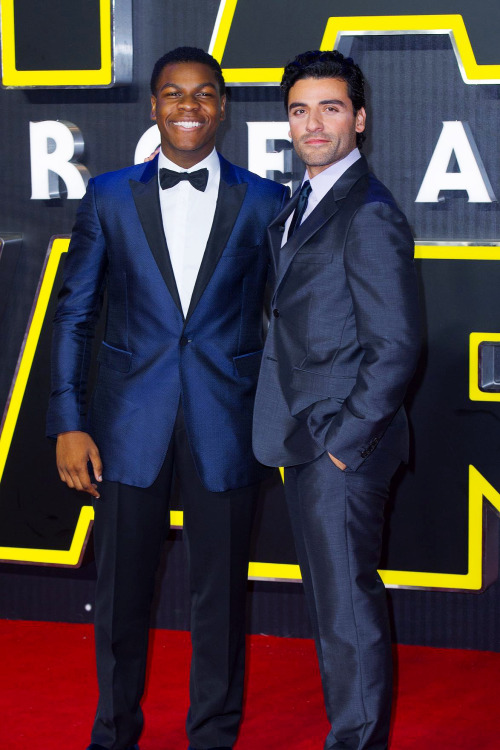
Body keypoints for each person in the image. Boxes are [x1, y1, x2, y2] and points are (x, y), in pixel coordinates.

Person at [46, 47, 288, 750]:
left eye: (204, 94)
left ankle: (213, 735)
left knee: (221, 601)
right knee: (121, 598)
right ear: (153, 108)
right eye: (174, 94)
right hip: (127, 427)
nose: (189, 106)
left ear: (223, 107)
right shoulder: (109, 196)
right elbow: (75, 316)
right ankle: (114, 732)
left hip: (228, 425)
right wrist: (68, 421)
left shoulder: (268, 202)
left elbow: (290, 324)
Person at [253, 50, 421, 749]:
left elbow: (398, 345)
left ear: (360, 117)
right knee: (333, 607)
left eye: (330, 107)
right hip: (306, 436)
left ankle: (355, 740)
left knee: (347, 611)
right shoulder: (308, 197)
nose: (313, 123)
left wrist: (343, 447)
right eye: (300, 109)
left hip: (342, 445)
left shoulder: (369, 212)